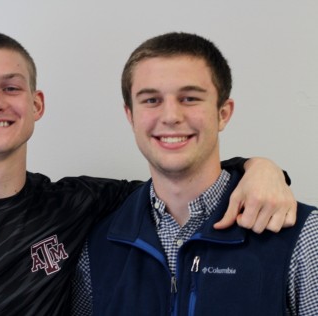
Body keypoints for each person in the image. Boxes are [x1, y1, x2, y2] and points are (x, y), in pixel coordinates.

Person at [0, 31, 296, 316]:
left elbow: (178, 180)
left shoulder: (77, 205)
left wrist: (258, 169)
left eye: (11, 87)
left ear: (36, 105)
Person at [71, 32, 318, 316]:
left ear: (223, 113)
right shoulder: (100, 245)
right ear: (131, 116)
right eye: (151, 100)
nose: (171, 116)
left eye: (189, 98)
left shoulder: (300, 234)